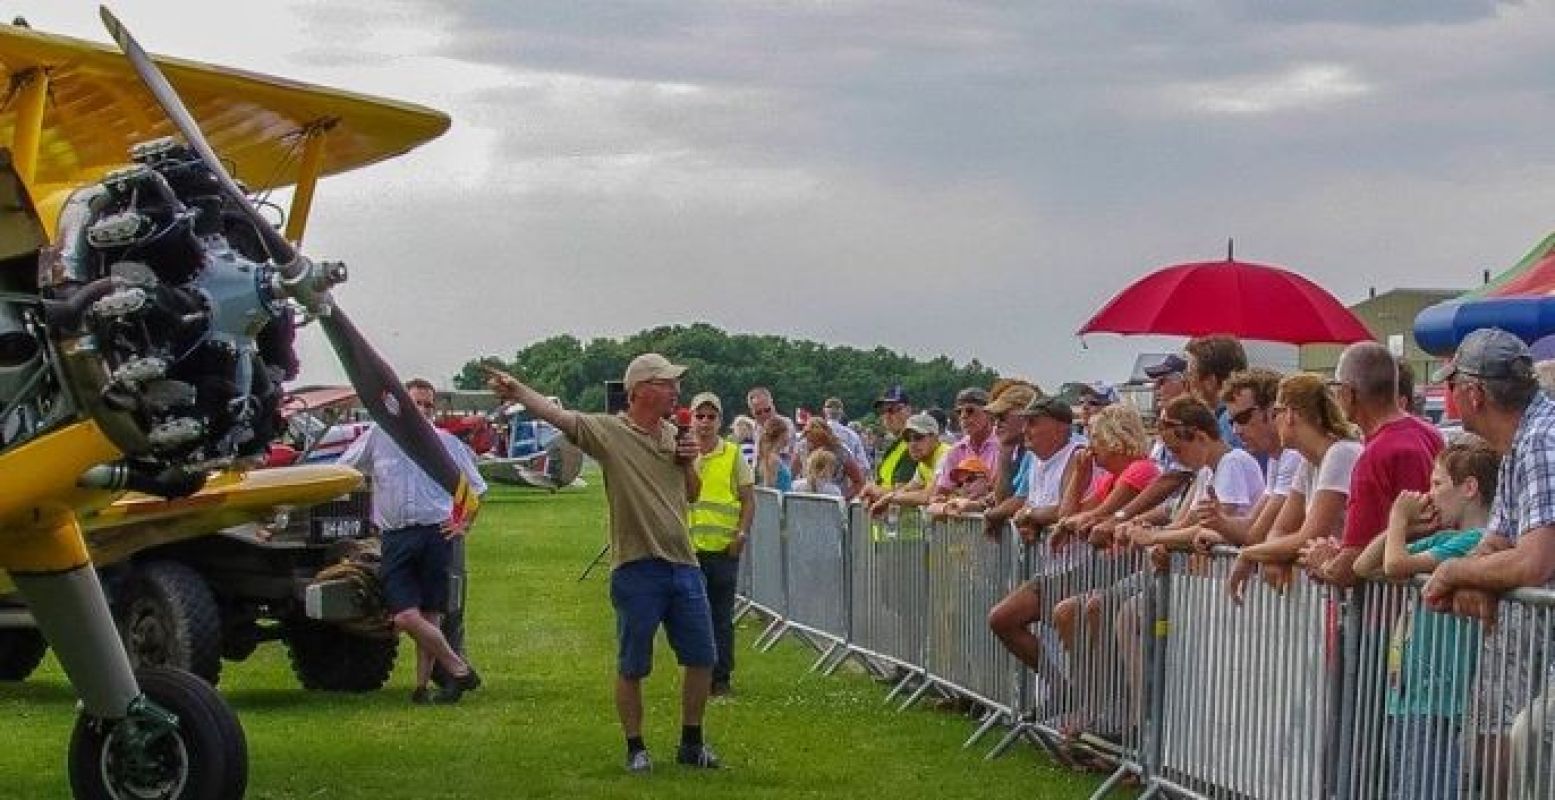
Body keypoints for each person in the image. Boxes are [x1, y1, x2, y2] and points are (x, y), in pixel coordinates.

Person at [485, 354, 722, 772]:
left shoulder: (676, 435)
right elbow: (558, 416)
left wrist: (687, 463)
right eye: (668, 384)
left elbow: (693, 494)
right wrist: (517, 389)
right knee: (633, 663)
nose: (676, 391)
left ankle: (691, 742)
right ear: (640, 390)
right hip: (636, 566)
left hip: (684, 564)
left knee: (702, 657)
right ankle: (636, 748)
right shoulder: (609, 432)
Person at [1420, 329, 1555, 796]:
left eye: (1454, 384)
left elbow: (1535, 560)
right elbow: (1497, 543)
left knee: (1531, 739)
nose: (1451, 394)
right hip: (1535, 646)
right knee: (1500, 744)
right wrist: (1478, 577)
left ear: (1474, 393)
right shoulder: (1521, 441)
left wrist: (1455, 572)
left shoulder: (1541, 438)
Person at [1355, 436, 1498, 800]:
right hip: (1410, 697)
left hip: (1441, 703)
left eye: (1437, 485)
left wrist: (1399, 518)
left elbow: (1394, 564)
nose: (1428, 494)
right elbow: (1364, 566)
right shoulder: (1443, 537)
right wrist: (1405, 529)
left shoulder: (1474, 541)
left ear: (1469, 488)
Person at [336, 378, 486, 705]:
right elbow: (343, 469)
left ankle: (422, 689)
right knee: (405, 616)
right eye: (415, 403)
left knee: (430, 615)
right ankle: (459, 669)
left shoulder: (446, 443)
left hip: (436, 533)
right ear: (400, 405)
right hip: (395, 536)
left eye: (428, 405)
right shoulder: (379, 436)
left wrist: (463, 524)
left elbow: (475, 489)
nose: (421, 410)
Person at [1305, 342, 1441, 587]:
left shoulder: (1375, 456)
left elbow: (1352, 565)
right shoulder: (1431, 434)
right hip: (1425, 594)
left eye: (1336, 388)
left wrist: (1322, 562)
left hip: (1386, 610)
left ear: (1349, 393)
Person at [1224, 374, 1361, 602]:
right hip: (1339, 593)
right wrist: (1277, 556)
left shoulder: (1341, 453)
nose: (1272, 420)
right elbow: (1279, 530)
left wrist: (1249, 554)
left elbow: (1310, 534)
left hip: (1358, 593)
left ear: (1289, 414)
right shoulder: (1307, 462)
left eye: (1275, 413)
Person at [687, 392, 755, 698]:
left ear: (720, 420)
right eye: (699, 416)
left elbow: (748, 499)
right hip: (689, 549)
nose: (704, 423)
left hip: (724, 549)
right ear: (691, 418)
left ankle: (722, 678)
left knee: (721, 617)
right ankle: (697, 676)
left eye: (710, 417)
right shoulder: (683, 452)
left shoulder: (732, 454)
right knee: (691, 617)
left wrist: (741, 534)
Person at [755, 416, 794, 491]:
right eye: (788, 432)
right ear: (782, 434)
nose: (789, 436)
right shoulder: (773, 459)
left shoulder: (771, 456)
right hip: (781, 502)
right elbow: (770, 489)